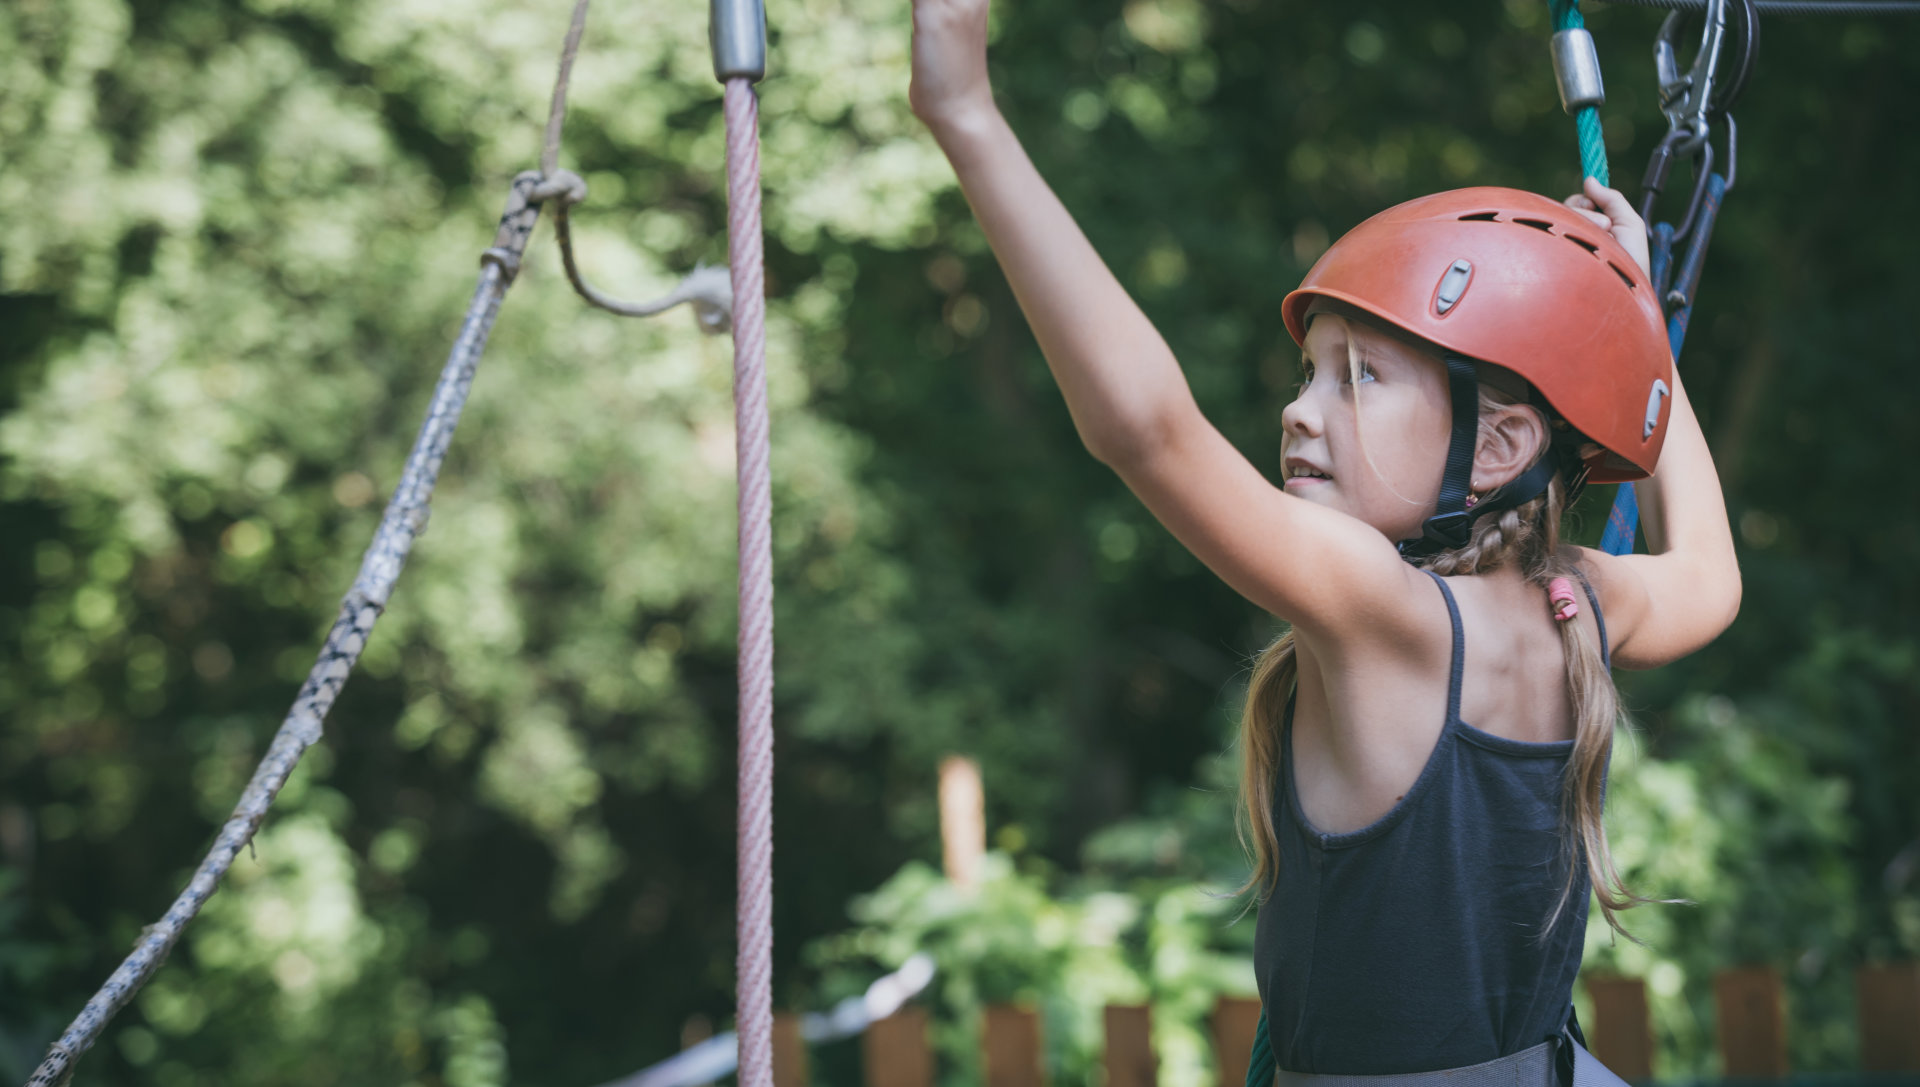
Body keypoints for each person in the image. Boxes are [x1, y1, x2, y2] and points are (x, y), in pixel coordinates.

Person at [908, 0, 1742, 1082]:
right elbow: (1712, 579)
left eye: (1359, 377)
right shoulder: (1575, 599)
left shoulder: (1379, 607)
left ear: (1498, 446)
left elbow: (1146, 431)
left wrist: (967, 112)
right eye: (1311, 374)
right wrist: (1640, 345)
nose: (1301, 411)